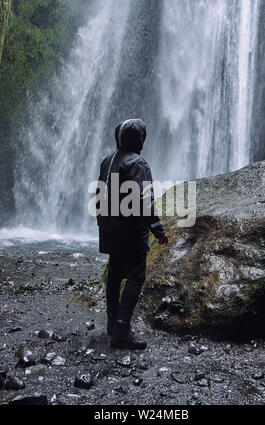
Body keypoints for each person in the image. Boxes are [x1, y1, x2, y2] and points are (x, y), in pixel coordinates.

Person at [97, 119, 168, 350]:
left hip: (110, 228)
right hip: (130, 231)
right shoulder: (138, 164)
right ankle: (122, 329)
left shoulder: (108, 161)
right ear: (139, 139)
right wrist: (158, 230)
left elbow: (100, 196)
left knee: (115, 273)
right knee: (136, 276)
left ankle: (111, 323)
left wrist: (102, 224)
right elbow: (144, 200)